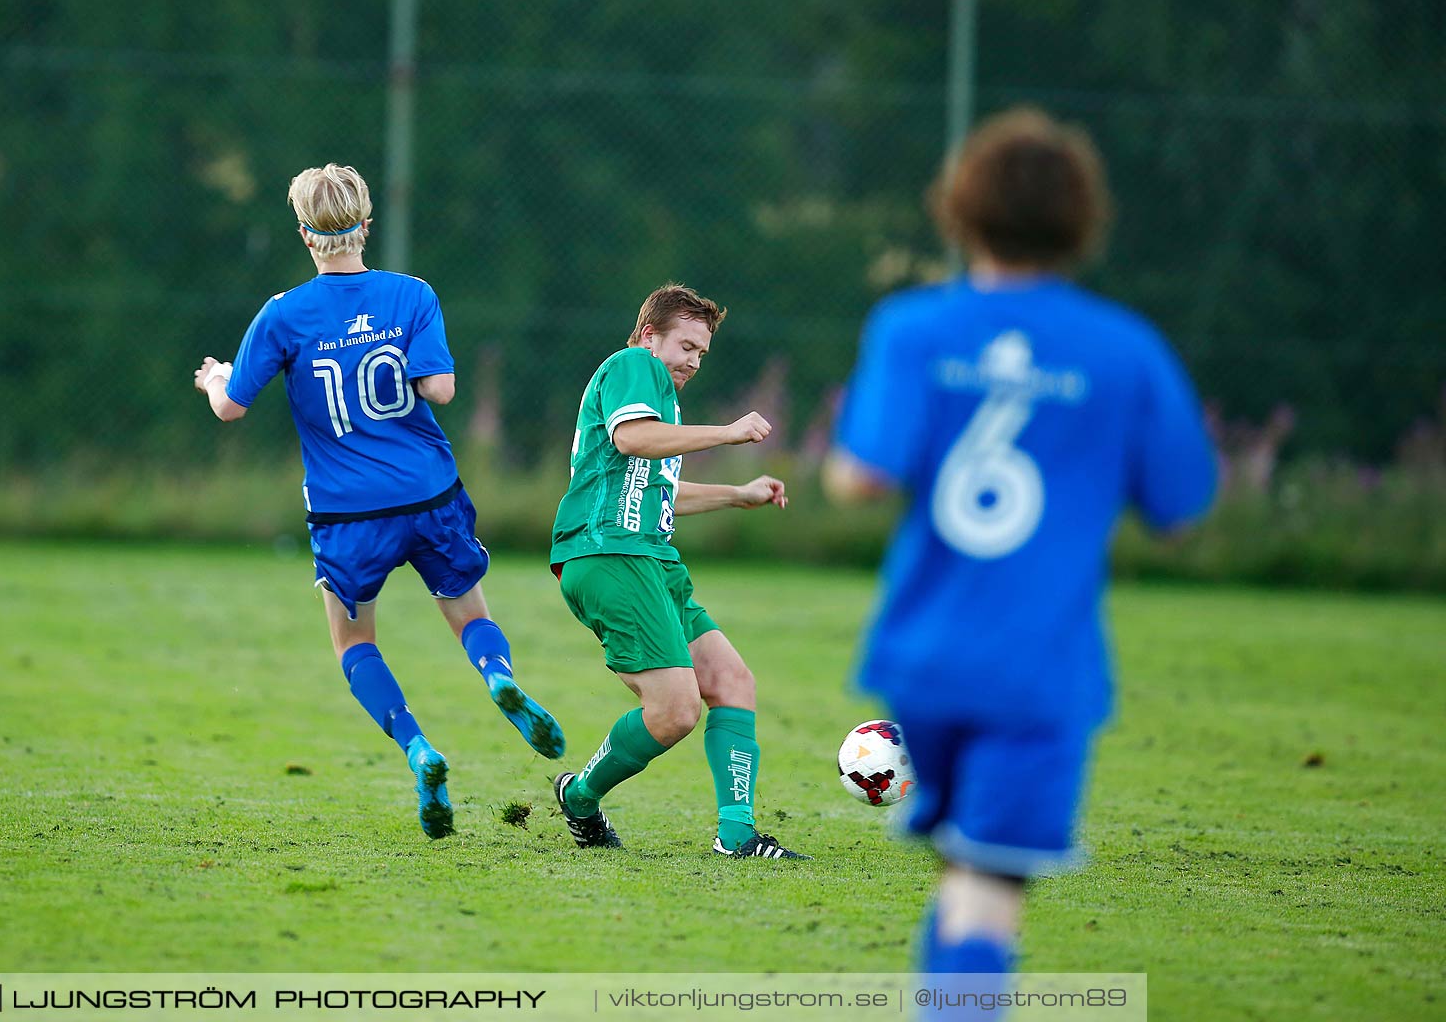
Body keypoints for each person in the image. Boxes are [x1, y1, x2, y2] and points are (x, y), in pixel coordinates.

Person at [824, 108, 1217, 994]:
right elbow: (1181, 510)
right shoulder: (1125, 350)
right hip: (1037, 669)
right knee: (991, 881)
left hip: (920, 659)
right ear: (1085, 222)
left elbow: (859, 477)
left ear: (958, 210)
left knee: (964, 871)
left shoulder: (912, 328)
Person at [192, 163, 565, 840]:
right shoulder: (411, 294)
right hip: (429, 491)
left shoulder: (283, 314)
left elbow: (229, 408)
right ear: (367, 225)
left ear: (306, 235)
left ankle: (419, 748)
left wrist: (216, 376)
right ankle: (498, 678)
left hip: (347, 512)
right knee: (467, 612)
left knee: (352, 640)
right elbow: (444, 391)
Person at [549, 283, 807, 859]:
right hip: (609, 554)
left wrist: (737, 495)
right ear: (649, 336)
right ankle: (582, 797)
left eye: (701, 352)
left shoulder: (659, 394)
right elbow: (632, 439)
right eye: (685, 345)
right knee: (674, 711)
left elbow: (659, 489)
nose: (693, 360)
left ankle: (737, 835)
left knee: (733, 682)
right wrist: (728, 433)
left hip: (652, 558)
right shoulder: (634, 366)